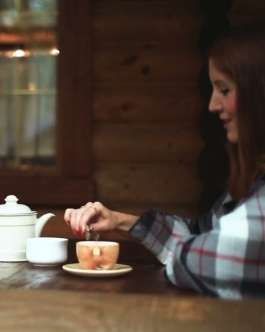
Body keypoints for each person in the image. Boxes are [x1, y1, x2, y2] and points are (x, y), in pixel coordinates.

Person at [64, 21, 265, 299]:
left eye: (224, 90)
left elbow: (209, 259)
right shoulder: (255, 177)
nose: (213, 105)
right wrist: (120, 221)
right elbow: (204, 232)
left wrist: (188, 252)